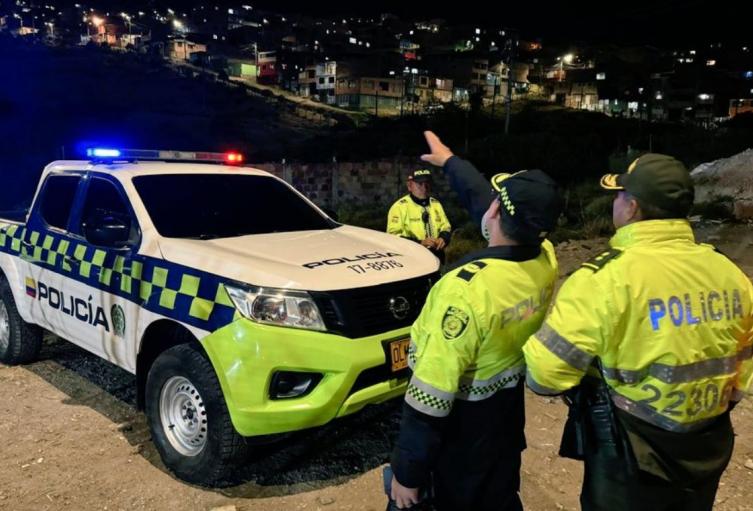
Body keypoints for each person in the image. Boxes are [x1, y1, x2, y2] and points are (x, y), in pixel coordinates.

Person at [523, 153, 753, 511]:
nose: (615, 203)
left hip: (629, 455)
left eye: (619, 195)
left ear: (631, 208)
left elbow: (544, 377)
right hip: (708, 444)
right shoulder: (729, 273)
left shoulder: (603, 279)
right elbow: (744, 363)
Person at [388, 132, 563, 510]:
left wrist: (407, 471)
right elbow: (487, 204)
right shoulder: (544, 258)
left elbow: (430, 397)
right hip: (504, 418)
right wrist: (451, 162)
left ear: (497, 213)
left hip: (461, 430)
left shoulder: (466, 292)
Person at [387, 168, 452, 263]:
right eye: (420, 184)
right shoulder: (399, 207)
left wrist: (443, 238)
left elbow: (446, 227)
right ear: (409, 186)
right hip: (412, 258)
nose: (424, 187)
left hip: (437, 256)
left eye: (427, 183)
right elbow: (392, 236)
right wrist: (420, 243)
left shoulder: (436, 204)